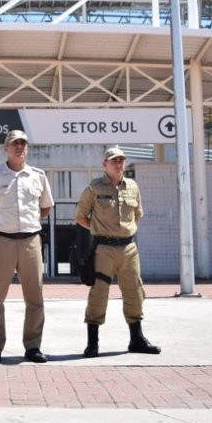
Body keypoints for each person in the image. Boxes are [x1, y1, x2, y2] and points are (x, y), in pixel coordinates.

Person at [0, 129, 53, 364]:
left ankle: (33, 346)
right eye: (14, 143)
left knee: (35, 297)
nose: (19, 147)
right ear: (5, 148)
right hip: (2, 241)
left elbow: (45, 207)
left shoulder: (38, 176)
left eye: (23, 144)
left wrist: (30, 222)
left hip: (30, 241)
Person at [74, 146, 160, 358]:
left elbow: (137, 215)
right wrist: (99, 230)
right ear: (105, 164)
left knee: (134, 292)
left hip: (129, 249)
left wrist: (123, 232)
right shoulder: (94, 188)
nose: (118, 163)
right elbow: (80, 216)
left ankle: (137, 339)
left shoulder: (132, 187)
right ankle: (92, 343)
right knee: (99, 294)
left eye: (120, 160)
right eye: (113, 160)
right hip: (103, 249)